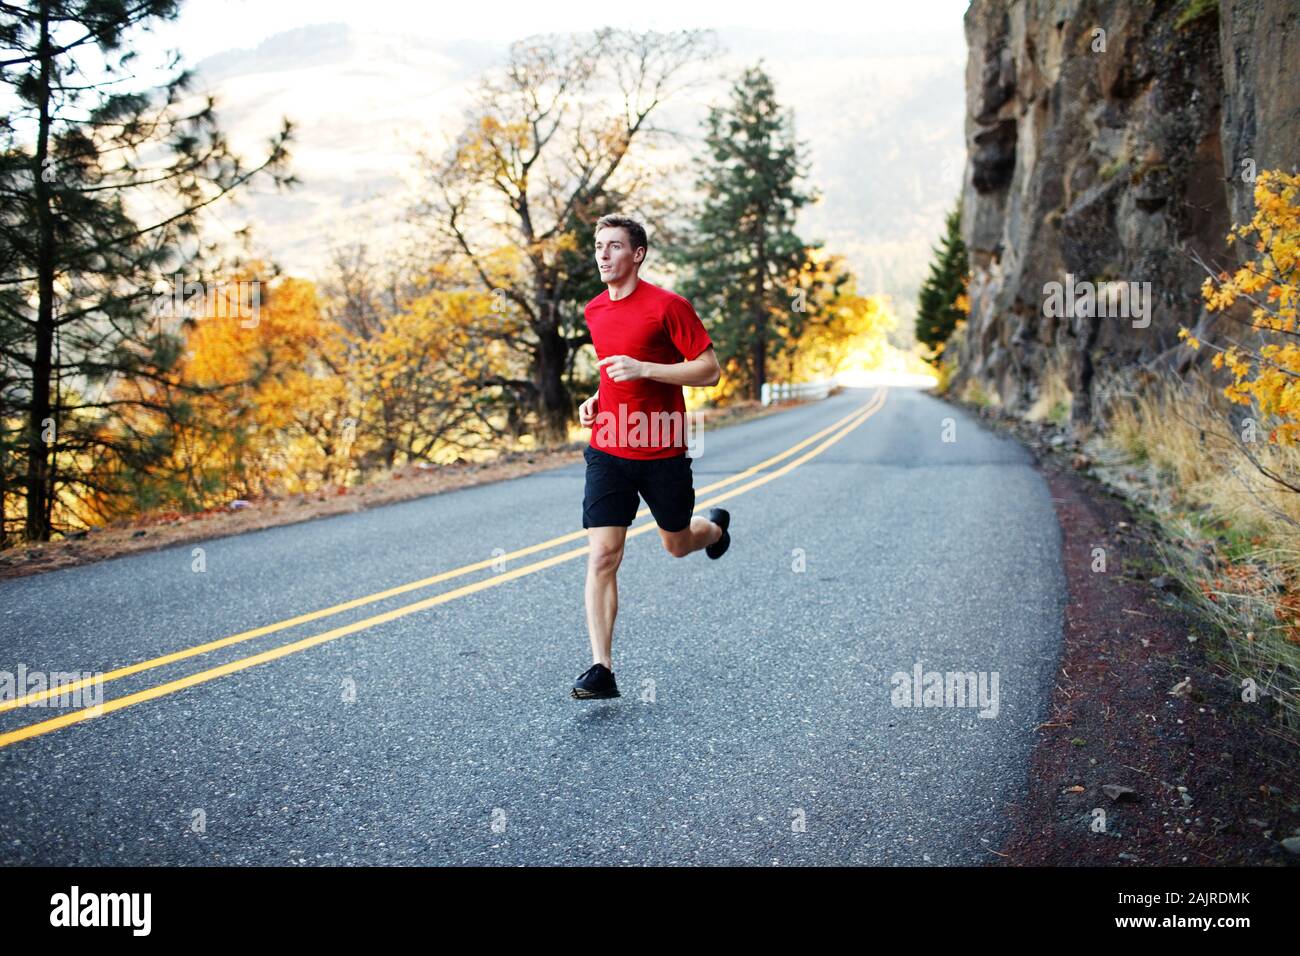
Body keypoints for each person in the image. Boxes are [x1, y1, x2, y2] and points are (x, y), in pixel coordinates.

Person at [571, 214, 731, 700]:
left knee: (677, 544)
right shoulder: (594, 310)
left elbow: (709, 371)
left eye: (613, 246)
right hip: (608, 447)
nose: (602, 255)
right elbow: (612, 371)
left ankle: (716, 528)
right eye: (598, 246)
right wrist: (597, 399)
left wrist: (645, 369)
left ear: (636, 254)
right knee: (602, 555)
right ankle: (602, 669)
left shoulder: (668, 306)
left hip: (661, 448)